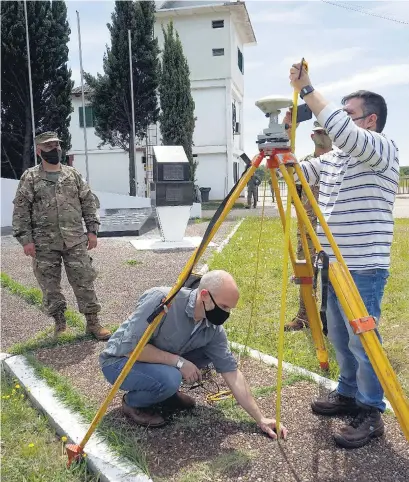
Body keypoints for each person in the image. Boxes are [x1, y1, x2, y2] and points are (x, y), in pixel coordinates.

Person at [288, 64, 399, 449]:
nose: (340, 123)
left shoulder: (381, 150)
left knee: (362, 342)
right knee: (339, 336)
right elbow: (300, 173)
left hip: (363, 268)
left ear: (370, 120)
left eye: (349, 114)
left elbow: (340, 129)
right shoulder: (336, 160)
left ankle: (371, 411)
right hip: (333, 267)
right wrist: (279, 144)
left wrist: (308, 91)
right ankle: (348, 394)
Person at [99, 270, 287, 439]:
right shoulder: (163, 300)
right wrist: (179, 362)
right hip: (119, 362)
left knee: (206, 354)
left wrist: (260, 418)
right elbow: (131, 348)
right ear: (204, 295)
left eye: (230, 309)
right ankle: (133, 403)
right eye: (223, 306)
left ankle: (166, 392)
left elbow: (232, 372)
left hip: (155, 361)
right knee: (172, 376)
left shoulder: (212, 329)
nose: (226, 314)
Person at [12, 131, 111, 341]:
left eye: (57, 145)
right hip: (44, 244)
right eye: (48, 147)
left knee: (84, 281)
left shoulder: (72, 175)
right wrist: (26, 240)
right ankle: (60, 324)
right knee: (50, 286)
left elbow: (88, 202)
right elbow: (21, 211)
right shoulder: (30, 178)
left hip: (75, 240)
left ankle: (93, 323)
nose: (55, 150)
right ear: (39, 151)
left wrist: (92, 231)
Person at [285, 121, 332, 331]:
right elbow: (294, 191)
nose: (321, 134)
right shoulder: (304, 163)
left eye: (325, 131)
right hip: (306, 229)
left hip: (331, 229)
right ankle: (304, 317)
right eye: (318, 131)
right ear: (312, 136)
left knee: (333, 275)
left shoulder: (337, 163)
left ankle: (332, 320)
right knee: (305, 273)